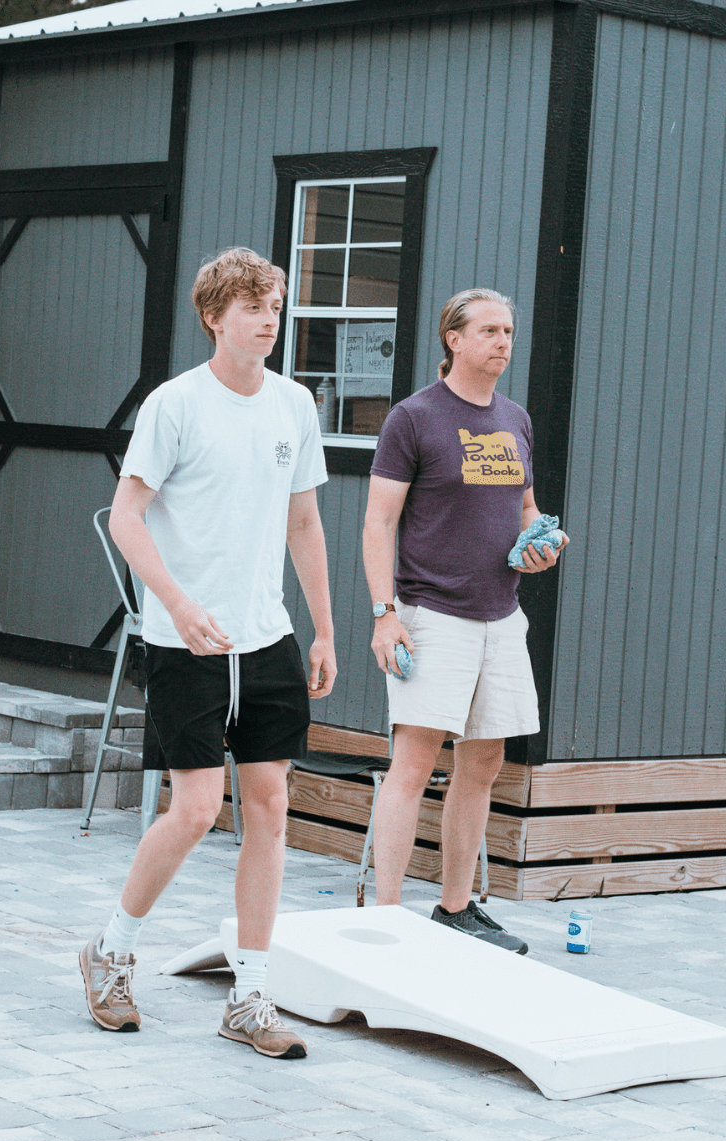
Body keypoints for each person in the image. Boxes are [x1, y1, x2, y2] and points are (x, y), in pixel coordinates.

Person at [80, 247, 336, 1058]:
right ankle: (110, 950)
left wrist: (324, 628)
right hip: (184, 640)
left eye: (276, 306)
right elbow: (126, 518)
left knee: (268, 809)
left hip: (266, 639)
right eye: (254, 306)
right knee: (193, 812)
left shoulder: (295, 405)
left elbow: (304, 524)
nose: (269, 320)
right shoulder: (175, 405)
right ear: (215, 316)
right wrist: (180, 605)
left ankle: (250, 996)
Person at [362, 288, 568, 951]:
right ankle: (384, 915)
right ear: (453, 338)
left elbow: (525, 505)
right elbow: (378, 521)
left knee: (483, 765)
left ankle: (456, 908)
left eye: (508, 330)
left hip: (502, 618)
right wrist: (383, 615)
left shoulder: (515, 419)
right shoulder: (414, 418)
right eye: (488, 330)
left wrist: (544, 539)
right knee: (413, 766)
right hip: (433, 615)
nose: (503, 342)